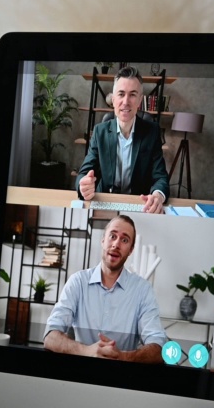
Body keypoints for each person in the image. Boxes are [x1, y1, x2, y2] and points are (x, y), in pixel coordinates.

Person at [43, 215, 167, 362]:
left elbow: (159, 347)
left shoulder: (143, 290)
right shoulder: (77, 282)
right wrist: (87, 351)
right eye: (112, 236)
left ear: (131, 250)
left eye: (125, 240)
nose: (116, 244)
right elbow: (50, 337)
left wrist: (122, 356)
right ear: (103, 240)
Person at [75, 66, 170, 214]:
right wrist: (83, 186)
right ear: (113, 99)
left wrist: (158, 195)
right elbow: (83, 173)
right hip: (105, 204)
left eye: (132, 95)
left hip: (140, 205)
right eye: (121, 94)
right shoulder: (100, 132)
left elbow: (161, 177)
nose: (126, 102)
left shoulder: (152, 132)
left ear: (139, 101)